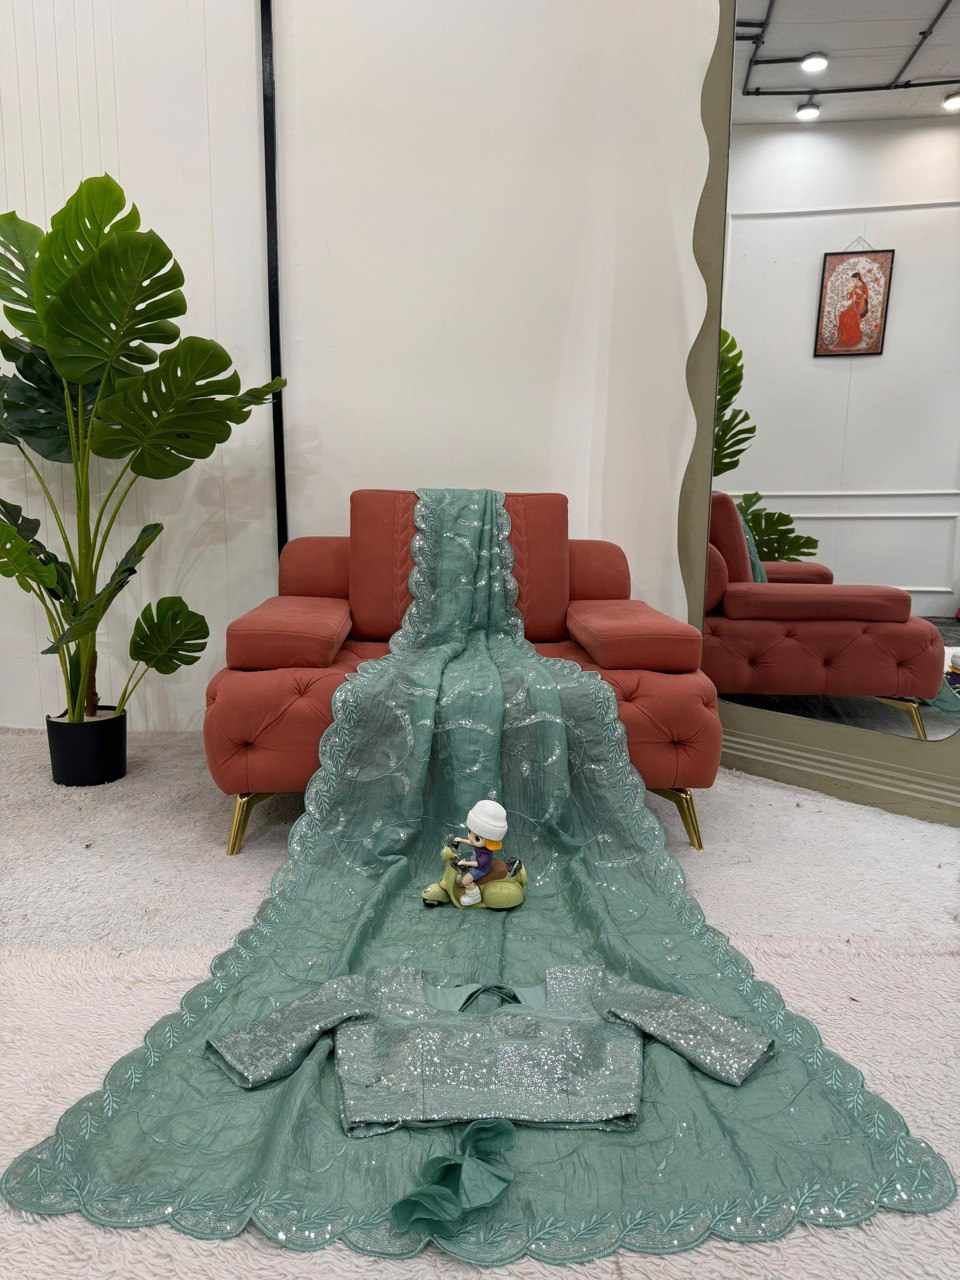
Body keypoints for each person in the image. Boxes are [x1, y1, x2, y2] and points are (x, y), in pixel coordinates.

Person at [451, 799, 508, 905]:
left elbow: (478, 864)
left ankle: (474, 897)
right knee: (461, 870)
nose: (471, 838)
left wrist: (465, 863)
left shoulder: (486, 854)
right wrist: (461, 840)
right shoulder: (479, 844)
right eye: (469, 832)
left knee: (465, 880)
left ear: (490, 840)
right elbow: (471, 842)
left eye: (477, 838)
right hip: (475, 860)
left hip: (481, 869)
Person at [836, 270, 869, 348]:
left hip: (859, 306)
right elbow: (851, 295)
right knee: (842, 316)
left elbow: (865, 297)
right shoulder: (855, 285)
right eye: (852, 280)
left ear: (857, 278)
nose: (853, 281)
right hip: (852, 304)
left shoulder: (863, 285)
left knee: (849, 318)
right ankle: (844, 339)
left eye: (854, 279)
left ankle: (853, 339)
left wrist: (859, 293)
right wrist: (849, 293)